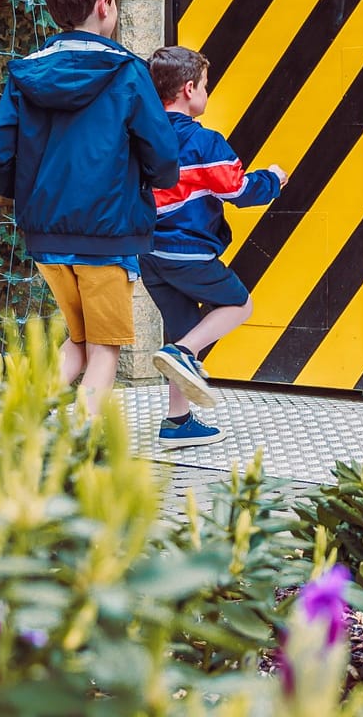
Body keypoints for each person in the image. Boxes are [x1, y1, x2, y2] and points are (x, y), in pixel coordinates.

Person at [0, 0, 179, 413]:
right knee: (105, 349)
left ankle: (15, 423)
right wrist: (157, 181)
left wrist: (28, 190)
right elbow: (163, 152)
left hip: (47, 237)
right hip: (108, 234)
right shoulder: (128, 72)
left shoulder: (25, 73)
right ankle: (76, 441)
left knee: (80, 341)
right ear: (105, 5)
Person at [141, 45, 288, 447]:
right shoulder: (204, 142)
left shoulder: (140, 139)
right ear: (189, 89)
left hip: (149, 253)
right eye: (205, 85)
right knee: (239, 304)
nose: (207, 92)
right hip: (188, 252)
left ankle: (177, 421)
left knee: (182, 330)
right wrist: (273, 179)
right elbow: (237, 190)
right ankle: (184, 353)